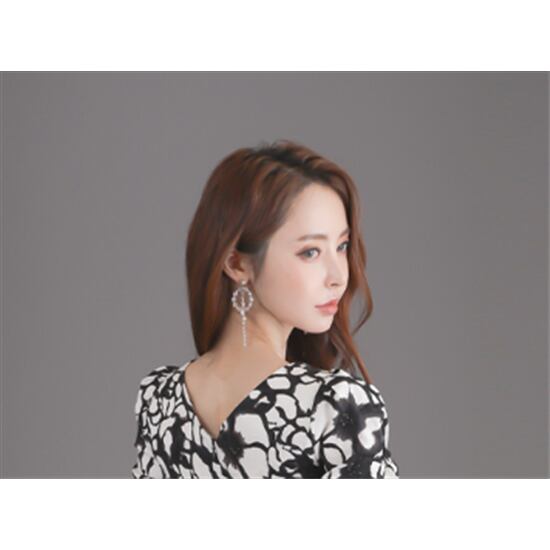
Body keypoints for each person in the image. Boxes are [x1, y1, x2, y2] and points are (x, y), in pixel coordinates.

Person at [131, 139, 400, 478]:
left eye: (342, 246)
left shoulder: (158, 398)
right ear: (237, 264)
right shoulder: (333, 405)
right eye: (310, 252)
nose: (338, 276)